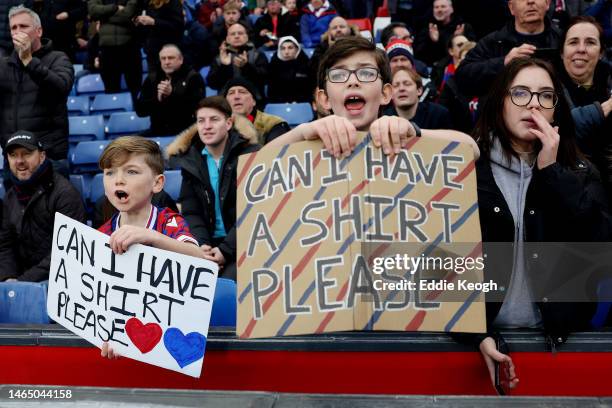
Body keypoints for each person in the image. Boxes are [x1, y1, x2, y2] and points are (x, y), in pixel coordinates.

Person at [468, 57, 608, 392]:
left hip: (554, 345)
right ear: (500, 102)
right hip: (481, 340)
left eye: (545, 96)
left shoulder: (579, 172)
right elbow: (444, 257)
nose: (533, 103)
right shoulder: (468, 168)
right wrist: (474, 332)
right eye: (520, 93)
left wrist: (551, 173)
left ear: (555, 110)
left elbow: (601, 249)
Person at [266, 36, 479, 161]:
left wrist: (414, 132)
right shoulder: (303, 146)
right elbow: (251, 170)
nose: (352, 81)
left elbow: (471, 149)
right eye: (339, 75)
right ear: (324, 99)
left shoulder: (406, 138)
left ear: (386, 94)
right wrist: (303, 132)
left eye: (366, 73)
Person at [166, 96, 261, 281]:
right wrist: (202, 246)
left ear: (228, 123)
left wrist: (226, 250)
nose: (206, 126)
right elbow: (192, 211)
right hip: (208, 247)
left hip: (246, 244)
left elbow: (253, 210)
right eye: (201, 121)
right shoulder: (191, 161)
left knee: (226, 286)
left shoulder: (250, 155)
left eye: (214, 119)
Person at [0, 131, 86, 282]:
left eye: (26, 154)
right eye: (13, 155)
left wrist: (23, 283)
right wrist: (9, 277)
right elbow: (5, 245)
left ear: (42, 156)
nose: (19, 161)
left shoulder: (64, 194)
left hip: (58, 281)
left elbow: (67, 251)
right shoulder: (10, 197)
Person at [97, 136, 202, 257]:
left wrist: (152, 237)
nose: (118, 180)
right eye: (110, 173)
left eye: (131, 171)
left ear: (157, 183)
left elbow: (199, 256)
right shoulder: (102, 234)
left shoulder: (168, 221)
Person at [0, 5, 73, 174]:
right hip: (12, 159)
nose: (18, 31)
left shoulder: (58, 58)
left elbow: (61, 88)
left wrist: (29, 60)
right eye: (14, 27)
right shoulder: (3, 65)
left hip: (48, 156)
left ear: (38, 31)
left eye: (24, 26)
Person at [455, 0, 562, 98]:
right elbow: (462, 77)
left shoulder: (563, 40)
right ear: (511, 7)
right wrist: (503, 62)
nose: (530, 1)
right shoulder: (494, 42)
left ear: (547, 3)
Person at [558, 16, 612, 194]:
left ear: (601, 52)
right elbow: (564, 131)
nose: (581, 49)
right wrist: (606, 107)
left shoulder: (608, 81)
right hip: (568, 187)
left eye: (590, 42)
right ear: (562, 52)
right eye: (573, 42)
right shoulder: (546, 86)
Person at [135, 44, 205, 136]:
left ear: (181, 60)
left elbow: (198, 110)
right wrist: (158, 99)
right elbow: (140, 111)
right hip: (157, 131)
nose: (166, 62)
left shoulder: (193, 77)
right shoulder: (152, 79)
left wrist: (172, 94)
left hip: (185, 132)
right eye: (163, 59)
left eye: (171, 58)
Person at [88, 0, 142, 98]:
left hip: (130, 47)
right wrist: (116, 8)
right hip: (107, 49)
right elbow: (93, 11)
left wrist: (104, 16)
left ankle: (137, 112)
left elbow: (128, 13)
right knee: (110, 90)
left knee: (135, 89)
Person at [206, 21, 268, 95]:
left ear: (247, 37)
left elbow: (265, 80)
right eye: (233, 34)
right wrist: (224, 66)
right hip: (226, 101)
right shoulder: (219, 58)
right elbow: (212, 84)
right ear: (227, 39)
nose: (236, 36)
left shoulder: (258, 55)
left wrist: (246, 66)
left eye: (240, 33)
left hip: (253, 100)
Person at [224, 77, 291, 144]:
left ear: (254, 101)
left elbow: (276, 152)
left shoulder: (273, 123)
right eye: (231, 93)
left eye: (242, 92)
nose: (236, 97)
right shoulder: (219, 124)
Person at [387, 67, 454, 130]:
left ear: (419, 90)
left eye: (407, 84)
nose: (401, 89)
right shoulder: (384, 119)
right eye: (396, 85)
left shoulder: (439, 114)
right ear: (390, 94)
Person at [413, 0, 474, 66]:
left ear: (452, 9)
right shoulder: (427, 29)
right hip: (433, 68)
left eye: (443, 6)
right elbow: (419, 56)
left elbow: (472, 51)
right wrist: (433, 42)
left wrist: (458, 39)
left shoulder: (463, 27)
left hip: (460, 65)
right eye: (436, 7)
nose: (439, 10)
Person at [438, 40, 479, 133]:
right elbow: (443, 116)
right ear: (459, 62)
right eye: (466, 59)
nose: (470, 64)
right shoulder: (450, 85)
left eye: (474, 59)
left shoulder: (492, 84)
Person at [134, 0, 184, 72]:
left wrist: (154, 22)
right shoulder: (149, 2)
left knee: (170, 81)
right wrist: (139, 21)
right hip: (152, 52)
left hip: (168, 51)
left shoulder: (173, 2)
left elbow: (178, 26)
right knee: (153, 80)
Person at [267, 35, 312, 103]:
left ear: (297, 49)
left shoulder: (306, 64)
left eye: (290, 48)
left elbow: (309, 90)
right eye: (283, 48)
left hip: (302, 103)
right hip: (279, 104)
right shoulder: (274, 66)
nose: (286, 52)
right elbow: (271, 92)